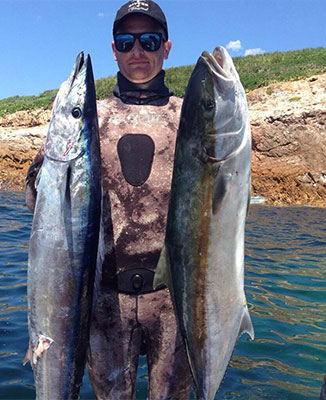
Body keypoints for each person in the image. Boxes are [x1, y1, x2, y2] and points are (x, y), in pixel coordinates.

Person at [26, 1, 193, 398]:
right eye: (127, 40)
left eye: (149, 40)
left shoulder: (191, 118)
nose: (138, 50)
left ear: (166, 47)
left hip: (174, 300)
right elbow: (37, 200)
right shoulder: (88, 117)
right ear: (114, 49)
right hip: (102, 301)